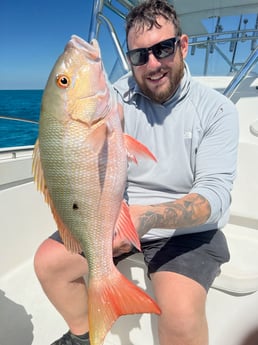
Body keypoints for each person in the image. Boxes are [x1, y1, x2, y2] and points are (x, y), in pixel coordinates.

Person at [34, 1, 239, 344]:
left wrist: (145, 217)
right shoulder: (114, 98)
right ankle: (84, 336)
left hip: (184, 231)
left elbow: (214, 197)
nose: (153, 64)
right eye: (139, 56)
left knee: (182, 315)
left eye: (163, 48)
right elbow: (70, 135)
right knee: (48, 263)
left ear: (183, 46)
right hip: (116, 218)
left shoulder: (217, 110)